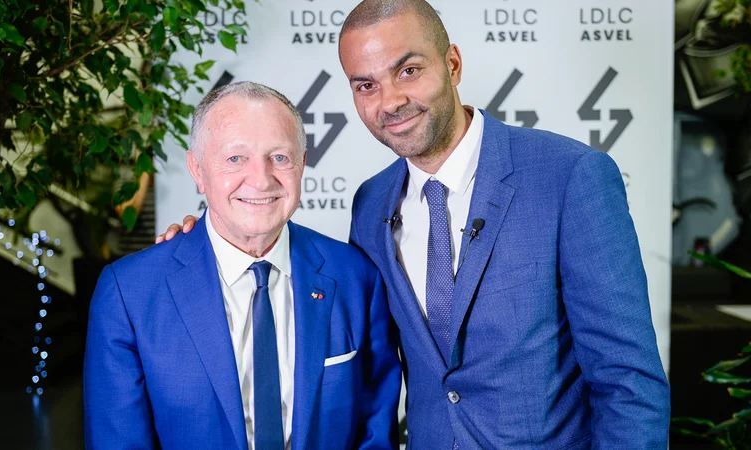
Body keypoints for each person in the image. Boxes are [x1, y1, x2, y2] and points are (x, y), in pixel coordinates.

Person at [159, 1, 671, 448]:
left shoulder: (568, 177)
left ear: (452, 63)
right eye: (366, 84)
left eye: (407, 71)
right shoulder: (371, 204)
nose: (390, 102)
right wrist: (204, 242)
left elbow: (629, 382)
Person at [84, 81, 401, 450]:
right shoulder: (129, 293)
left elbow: (375, 433)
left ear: (302, 163)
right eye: (235, 158)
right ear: (198, 170)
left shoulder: (355, 277)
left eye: (279, 157)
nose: (261, 178)